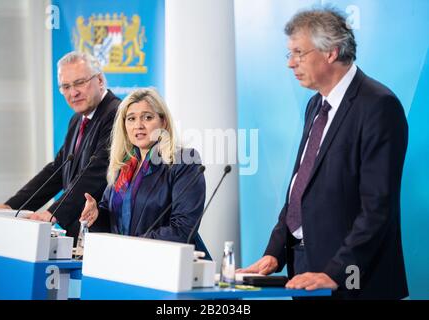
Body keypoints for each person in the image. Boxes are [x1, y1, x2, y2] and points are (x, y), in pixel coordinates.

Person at [238, 7, 408, 299]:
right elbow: (300, 189)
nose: (291, 63)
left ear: (331, 51)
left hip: (353, 279)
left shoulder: (379, 106)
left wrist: (335, 272)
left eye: (299, 53)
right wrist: (275, 253)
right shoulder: (315, 105)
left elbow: (377, 208)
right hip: (304, 269)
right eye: (289, 54)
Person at [0, 51, 121, 240]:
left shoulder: (117, 114)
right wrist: (12, 206)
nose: (73, 92)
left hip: (104, 231)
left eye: (80, 82)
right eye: (66, 86)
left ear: (100, 80)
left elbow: (96, 173)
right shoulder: (77, 119)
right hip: (77, 231)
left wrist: (54, 212)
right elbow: (57, 170)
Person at [79, 88, 210, 257]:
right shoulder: (123, 166)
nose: (138, 125)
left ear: (163, 122)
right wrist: (97, 215)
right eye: (131, 119)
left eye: (147, 117)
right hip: (124, 263)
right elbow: (112, 218)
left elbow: (183, 228)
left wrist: (133, 246)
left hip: (169, 265)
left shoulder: (184, 161)